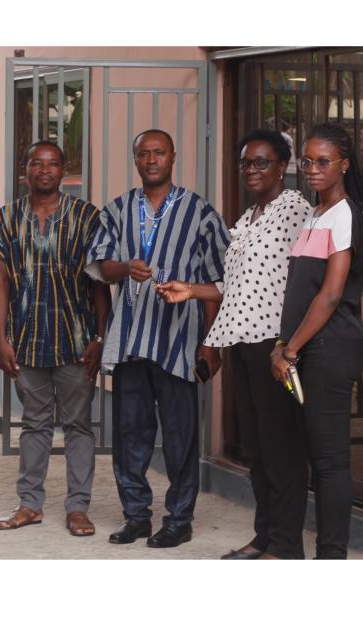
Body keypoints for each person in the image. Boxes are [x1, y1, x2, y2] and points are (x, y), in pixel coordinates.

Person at [157, 129, 313, 559]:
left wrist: (293, 344)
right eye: (245, 162)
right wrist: (190, 290)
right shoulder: (247, 219)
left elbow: (307, 279)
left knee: (281, 450)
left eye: (261, 162)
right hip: (242, 342)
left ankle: (285, 546)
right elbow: (234, 284)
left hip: (275, 345)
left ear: (283, 167)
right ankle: (264, 537)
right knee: (258, 450)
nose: (251, 170)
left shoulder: (294, 209)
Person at [87, 129, 230, 548]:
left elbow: (216, 279)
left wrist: (211, 342)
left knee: (181, 435)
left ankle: (179, 519)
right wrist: (124, 267)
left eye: (159, 152)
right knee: (130, 434)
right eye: (144, 154)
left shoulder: (200, 212)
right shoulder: (116, 210)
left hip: (179, 343)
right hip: (131, 341)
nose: (152, 160)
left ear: (173, 157)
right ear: (136, 160)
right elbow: (98, 267)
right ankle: (136, 516)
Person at [0, 141, 111, 537]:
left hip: (76, 341)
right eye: (36, 163)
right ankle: (29, 504)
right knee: (34, 425)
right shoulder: (6, 219)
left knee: (78, 426)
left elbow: (100, 281)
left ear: (64, 170)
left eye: (53, 163)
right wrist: (0, 339)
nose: (45, 170)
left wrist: (100, 336)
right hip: (26, 339)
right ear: (25, 170)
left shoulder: (88, 218)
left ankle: (77, 508)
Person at [270, 122, 363, 559]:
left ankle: (332, 559)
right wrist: (284, 343)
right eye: (307, 160)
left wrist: (289, 350)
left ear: (344, 164)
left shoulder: (345, 213)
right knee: (314, 457)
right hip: (307, 349)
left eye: (323, 161)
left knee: (330, 462)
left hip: (330, 349)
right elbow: (300, 291)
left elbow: (329, 295)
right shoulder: (315, 214)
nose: (312, 168)